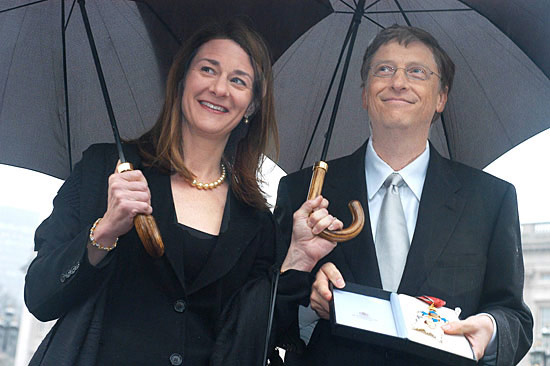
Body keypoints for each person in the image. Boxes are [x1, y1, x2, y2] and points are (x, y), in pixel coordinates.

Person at [24, 20, 340, 366]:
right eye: (208, 69)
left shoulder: (257, 221)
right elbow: (40, 296)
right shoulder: (105, 170)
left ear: (251, 106)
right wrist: (106, 229)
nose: (219, 88)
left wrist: (298, 259)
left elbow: (253, 339)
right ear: (182, 81)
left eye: (238, 80)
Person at [275, 24, 533, 365]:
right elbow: (266, 319)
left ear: (441, 97)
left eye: (417, 71)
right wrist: (309, 303)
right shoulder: (303, 193)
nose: (398, 82)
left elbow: (514, 316)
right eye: (384, 70)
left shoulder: (491, 199)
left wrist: (490, 327)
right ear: (364, 94)